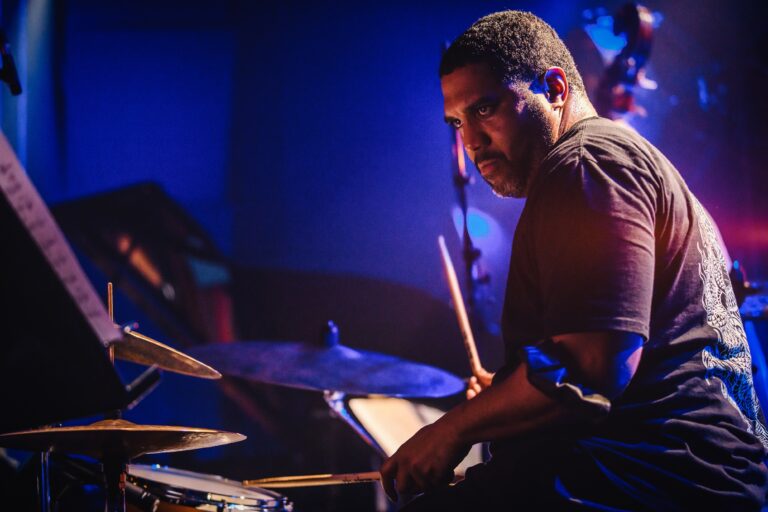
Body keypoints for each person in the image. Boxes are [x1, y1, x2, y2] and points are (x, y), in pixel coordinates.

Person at [379, 10, 768, 510]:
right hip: (683, 475)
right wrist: (508, 395)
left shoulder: (588, 164)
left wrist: (451, 430)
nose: (470, 141)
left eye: (484, 108)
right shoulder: (615, 160)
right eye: (457, 122)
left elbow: (593, 368)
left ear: (555, 88)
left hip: (650, 478)